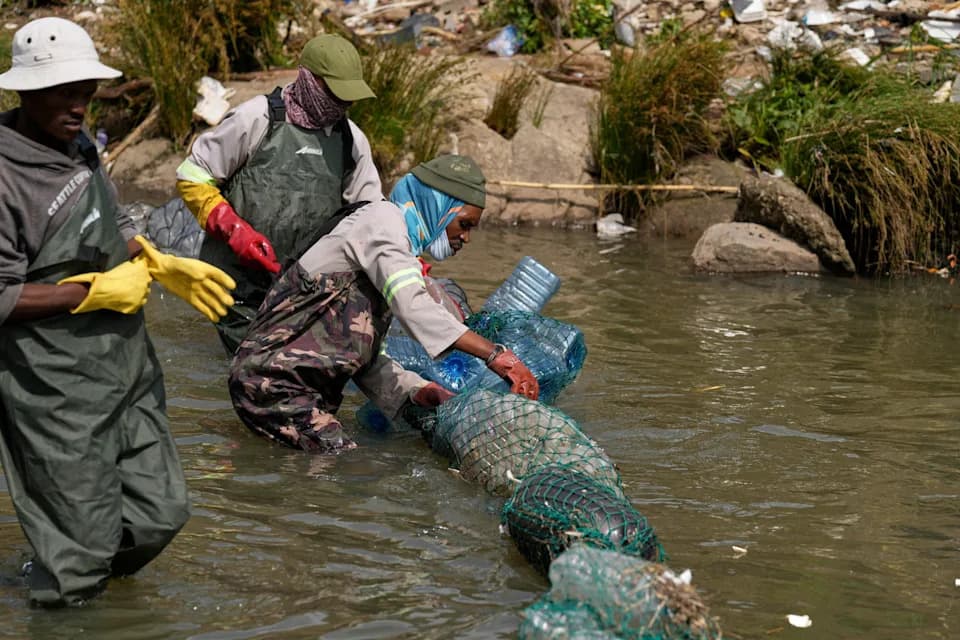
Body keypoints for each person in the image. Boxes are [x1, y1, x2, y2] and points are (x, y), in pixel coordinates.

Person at [0, 17, 235, 607]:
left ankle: (77, 575)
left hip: (125, 367)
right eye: (63, 91)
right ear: (24, 92)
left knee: (162, 513)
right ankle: (66, 596)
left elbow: (107, 224)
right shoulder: (5, 177)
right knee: (80, 562)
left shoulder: (79, 147)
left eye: (85, 90)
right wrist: (91, 294)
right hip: (52, 389)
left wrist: (154, 260)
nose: (79, 105)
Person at [228, 155, 540, 453]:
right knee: (341, 475)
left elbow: (359, 355)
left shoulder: (392, 246)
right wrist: (497, 355)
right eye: (465, 224)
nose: (466, 238)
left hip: (294, 390)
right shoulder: (384, 223)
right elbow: (413, 305)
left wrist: (413, 390)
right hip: (273, 384)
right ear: (439, 207)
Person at [176, 33, 383, 354]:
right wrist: (234, 230)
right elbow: (192, 176)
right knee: (251, 366)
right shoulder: (256, 118)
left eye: (348, 98)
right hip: (238, 282)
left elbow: (369, 214)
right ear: (309, 80)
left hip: (304, 287)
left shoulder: (351, 140)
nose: (343, 105)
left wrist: (398, 257)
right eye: (335, 95)